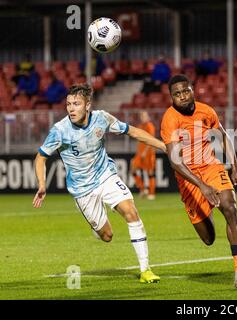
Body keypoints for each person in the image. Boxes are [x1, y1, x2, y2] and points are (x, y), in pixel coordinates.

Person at [33, 83, 166, 282]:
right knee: (107, 236)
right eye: (68, 104)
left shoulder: (102, 118)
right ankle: (97, 226)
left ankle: (145, 269)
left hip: (106, 176)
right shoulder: (60, 130)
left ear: (88, 105)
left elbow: (134, 132)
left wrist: (164, 146)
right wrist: (42, 184)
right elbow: (40, 157)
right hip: (82, 189)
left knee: (131, 211)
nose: (71, 108)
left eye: (76, 104)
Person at [161, 74, 237, 289]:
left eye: (186, 91)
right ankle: (207, 207)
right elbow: (176, 163)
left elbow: (222, 136)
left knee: (230, 207)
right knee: (208, 238)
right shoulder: (170, 119)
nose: (182, 96)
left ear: (193, 90)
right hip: (188, 178)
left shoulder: (206, 110)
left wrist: (235, 168)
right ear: (171, 98)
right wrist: (201, 185)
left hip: (211, 166)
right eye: (177, 94)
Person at [131, 111, 157, 200]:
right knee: (133, 170)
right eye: (142, 116)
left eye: (144, 116)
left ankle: (151, 193)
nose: (143, 118)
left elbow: (151, 140)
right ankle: (143, 189)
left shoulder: (150, 126)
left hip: (149, 153)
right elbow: (138, 140)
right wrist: (138, 152)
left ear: (148, 117)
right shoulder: (140, 126)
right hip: (140, 153)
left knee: (150, 172)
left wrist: (145, 152)